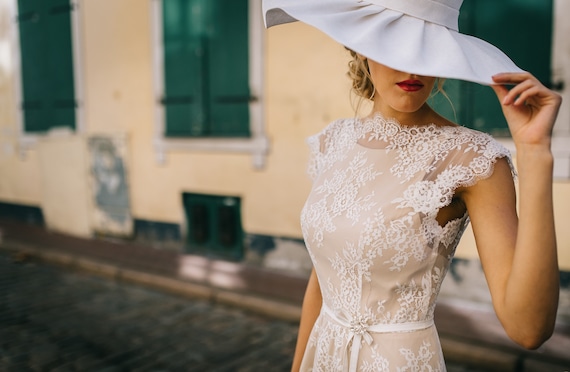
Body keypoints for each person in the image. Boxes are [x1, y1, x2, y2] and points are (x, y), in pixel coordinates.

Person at [263, 0, 562, 371]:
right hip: (323, 357)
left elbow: (528, 329)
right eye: (395, 46)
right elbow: (325, 276)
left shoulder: (471, 159)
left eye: (427, 48)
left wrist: (534, 153)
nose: (412, 65)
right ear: (360, 46)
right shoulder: (332, 142)